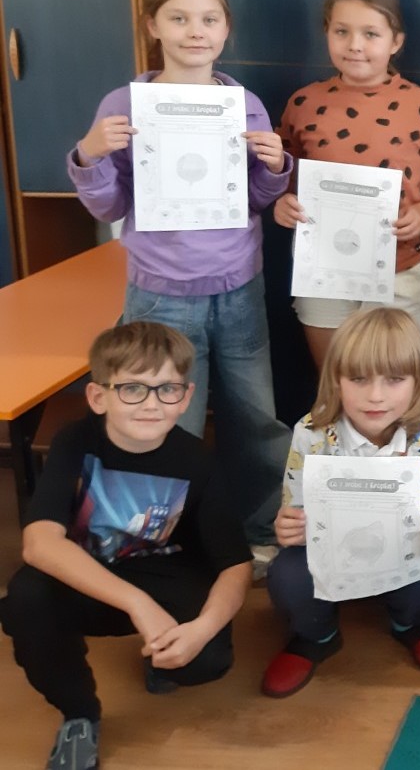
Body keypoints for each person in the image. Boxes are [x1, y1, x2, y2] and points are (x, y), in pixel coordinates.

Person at [68, 0, 293, 552]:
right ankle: (165, 539)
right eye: (179, 18)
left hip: (239, 285)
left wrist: (275, 168)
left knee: (256, 417)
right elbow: (110, 204)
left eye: (210, 19)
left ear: (226, 29)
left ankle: (262, 530)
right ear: (153, 26)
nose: (196, 31)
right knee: (166, 419)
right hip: (160, 292)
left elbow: (252, 201)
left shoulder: (244, 104)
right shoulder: (124, 104)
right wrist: (89, 154)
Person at [1, 322, 252, 770]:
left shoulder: (199, 461)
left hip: (168, 576)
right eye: (133, 389)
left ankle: (161, 657)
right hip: (92, 578)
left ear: (187, 397)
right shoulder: (74, 442)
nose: (152, 404)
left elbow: (236, 565)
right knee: (26, 599)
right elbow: (39, 544)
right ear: (99, 397)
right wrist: (138, 605)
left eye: (167, 389)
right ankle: (79, 714)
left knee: (205, 663)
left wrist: (201, 629)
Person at [260, 307, 420, 697]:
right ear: (336, 380)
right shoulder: (312, 431)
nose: (375, 396)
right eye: (358, 379)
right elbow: (296, 505)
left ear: (418, 381)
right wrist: (289, 525)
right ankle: (316, 635)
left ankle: (411, 620)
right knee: (287, 574)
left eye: (395, 379)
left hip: (401, 547)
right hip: (333, 551)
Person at [274, 0, 420, 368]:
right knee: (335, 378)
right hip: (323, 267)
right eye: (341, 32)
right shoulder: (303, 103)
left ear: (396, 42)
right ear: (326, 33)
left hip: (399, 267)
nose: (355, 45)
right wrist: (283, 203)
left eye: (371, 34)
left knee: (399, 379)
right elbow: (285, 181)